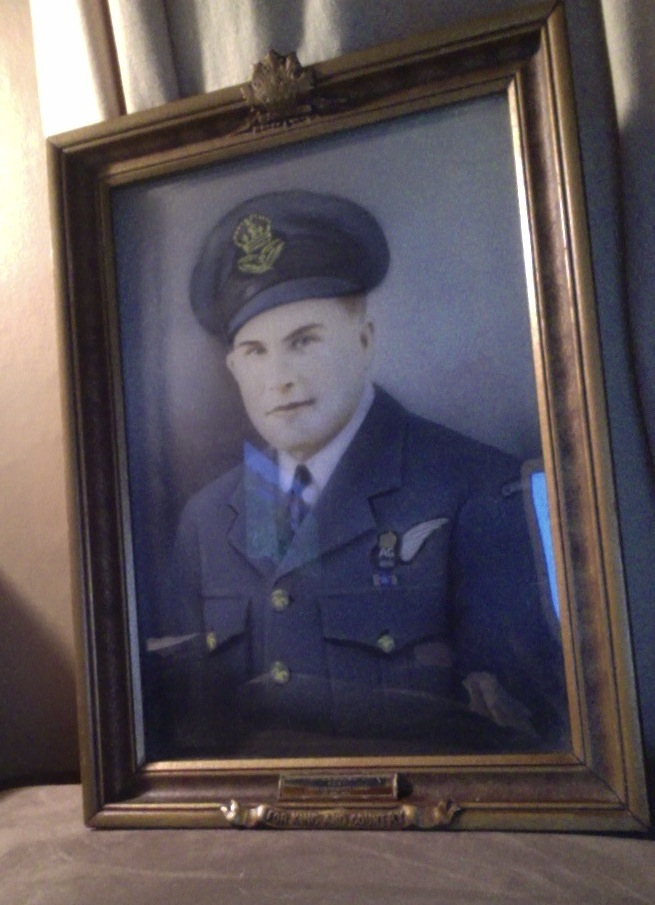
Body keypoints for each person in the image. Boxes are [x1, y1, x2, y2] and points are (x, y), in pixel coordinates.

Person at [150, 189, 567, 758]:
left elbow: (530, 738)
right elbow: (186, 729)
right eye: (255, 352)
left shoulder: (478, 491)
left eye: (304, 342)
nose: (279, 378)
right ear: (233, 367)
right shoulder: (206, 519)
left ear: (364, 340)